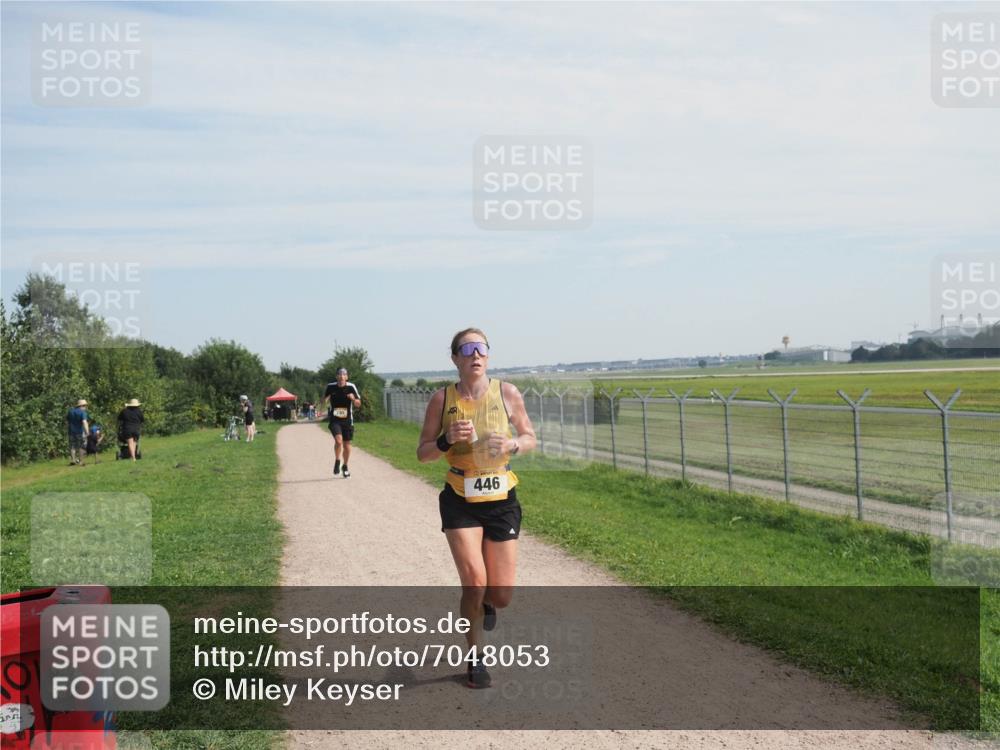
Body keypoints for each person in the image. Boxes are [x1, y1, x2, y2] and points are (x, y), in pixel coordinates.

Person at [417, 328, 536, 689]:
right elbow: (423, 454)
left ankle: (487, 603)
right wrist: (445, 439)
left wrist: (514, 444)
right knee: (474, 582)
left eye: (481, 348)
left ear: (488, 355)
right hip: (460, 498)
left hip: (501, 498)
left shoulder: (508, 393)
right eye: (467, 349)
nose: (475, 354)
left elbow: (531, 437)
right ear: (455, 358)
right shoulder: (442, 399)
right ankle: (475, 658)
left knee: (500, 594)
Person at [323, 368, 361, 478]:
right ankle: (337, 461)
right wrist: (325, 401)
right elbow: (323, 401)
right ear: (336, 377)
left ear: (347, 377)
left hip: (348, 420)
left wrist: (353, 399)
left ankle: (345, 466)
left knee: (347, 445)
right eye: (339, 374)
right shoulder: (330, 387)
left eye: (344, 374)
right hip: (335, 420)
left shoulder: (351, 387)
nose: (341, 376)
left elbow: (358, 404)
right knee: (339, 441)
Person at [66, 399, 91, 466]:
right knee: (81, 446)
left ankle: (73, 460)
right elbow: (84, 422)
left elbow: (67, 422)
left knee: (72, 446)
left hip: (71, 432)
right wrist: (87, 432)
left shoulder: (70, 411)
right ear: (82, 406)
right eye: (85, 406)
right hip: (80, 432)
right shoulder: (82, 413)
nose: (86, 408)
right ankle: (81, 461)